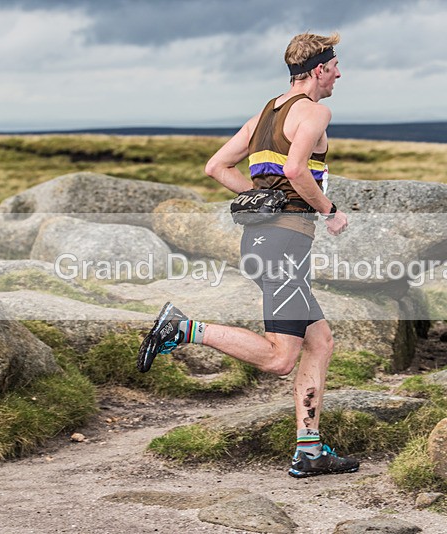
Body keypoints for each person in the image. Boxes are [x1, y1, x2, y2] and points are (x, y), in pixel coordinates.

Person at [138, 32, 357, 478]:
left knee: (320, 341)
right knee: (280, 359)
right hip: (285, 244)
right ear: (319, 69)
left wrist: (262, 198)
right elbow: (295, 169)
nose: (339, 74)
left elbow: (216, 167)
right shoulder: (315, 112)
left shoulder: (265, 114)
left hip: (262, 241)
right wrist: (329, 210)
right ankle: (184, 328)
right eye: (335, 67)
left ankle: (309, 450)